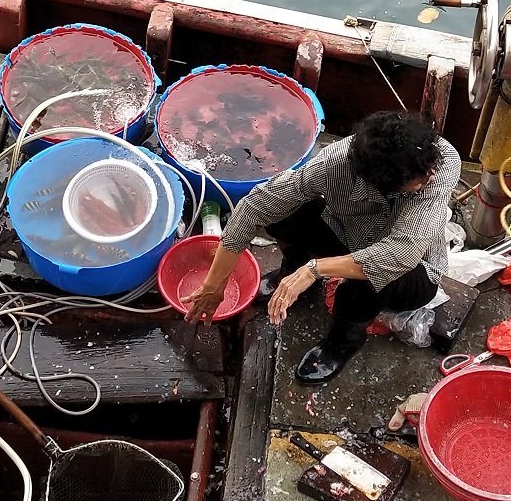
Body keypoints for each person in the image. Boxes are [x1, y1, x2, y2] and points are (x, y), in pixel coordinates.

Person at [184, 110, 460, 382]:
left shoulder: (441, 163)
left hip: (413, 269)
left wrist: (315, 269)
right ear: (382, 184)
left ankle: (342, 342)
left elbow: (400, 253)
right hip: (351, 236)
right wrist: (214, 284)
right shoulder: (335, 164)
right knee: (283, 211)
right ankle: (291, 271)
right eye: (421, 178)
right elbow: (256, 206)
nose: (430, 176)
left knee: (370, 281)